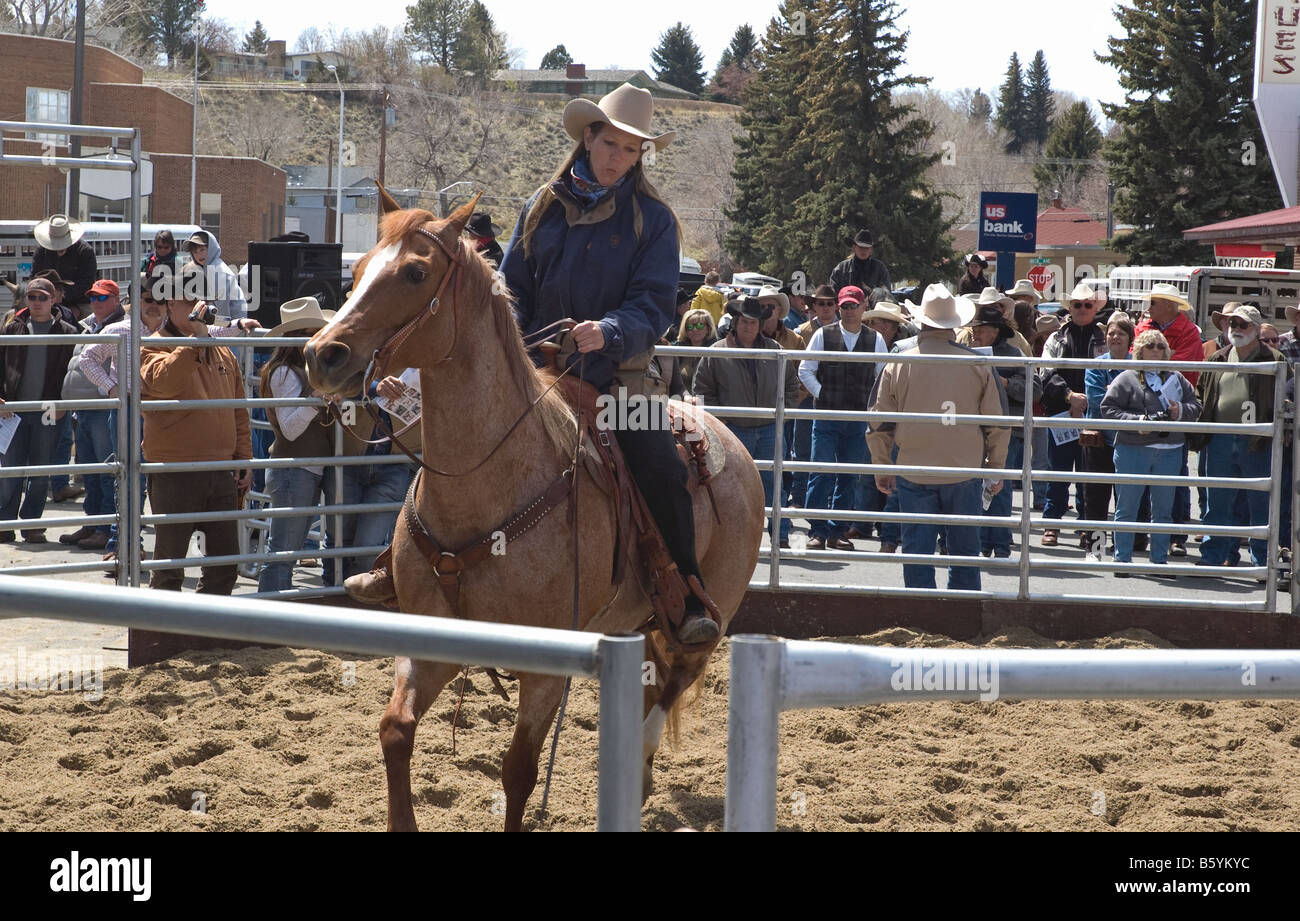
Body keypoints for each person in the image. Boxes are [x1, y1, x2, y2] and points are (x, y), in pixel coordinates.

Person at [499, 82, 720, 644]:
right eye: (612, 144)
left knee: (658, 461)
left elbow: (653, 303)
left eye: (631, 150)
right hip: (533, 370)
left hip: (618, 378)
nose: (619, 158)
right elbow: (508, 290)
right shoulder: (540, 207)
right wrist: (519, 342)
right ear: (588, 137)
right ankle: (412, 556)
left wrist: (609, 331)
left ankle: (684, 591)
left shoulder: (654, 220)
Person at [868, 284, 1009, 590]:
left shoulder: (899, 362)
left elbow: (879, 422)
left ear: (921, 321)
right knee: (964, 551)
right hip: (964, 470)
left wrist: (882, 466)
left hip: (913, 468)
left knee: (917, 550)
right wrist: (995, 467)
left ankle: (923, 614)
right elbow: (997, 423)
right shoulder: (978, 364)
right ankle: (963, 612)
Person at [138, 266, 252, 594]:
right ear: (169, 305)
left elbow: (238, 413)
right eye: (188, 301)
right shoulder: (152, 346)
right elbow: (163, 383)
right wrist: (195, 342)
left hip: (220, 470)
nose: (196, 307)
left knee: (224, 562)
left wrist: (243, 457)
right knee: (170, 563)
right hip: (174, 471)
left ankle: (205, 630)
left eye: (201, 300)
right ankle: (165, 634)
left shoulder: (223, 353)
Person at [695, 296, 801, 548]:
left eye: (754, 322)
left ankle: (780, 535)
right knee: (731, 487)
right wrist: (722, 420)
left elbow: (791, 386)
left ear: (760, 323)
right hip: (732, 431)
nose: (749, 327)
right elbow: (702, 389)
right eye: (744, 321)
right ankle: (733, 539)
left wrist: (781, 414)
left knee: (774, 484)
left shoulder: (775, 350)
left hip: (768, 428)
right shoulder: (717, 352)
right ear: (735, 322)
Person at [1193, 303, 1289, 570]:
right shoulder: (1218, 358)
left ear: (1256, 330)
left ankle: (1261, 563)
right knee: (1218, 502)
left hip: (1258, 439)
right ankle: (1213, 558)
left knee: (1260, 503)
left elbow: (1287, 394)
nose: (1235, 329)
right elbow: (1202, 391)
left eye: (1242, 324)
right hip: (1220, 438)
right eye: (1232, 324)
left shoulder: (1275, 359)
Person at [1101, 329, 1202, 575]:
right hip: (1133, 449)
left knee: (1163, 511)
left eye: (1160, 346)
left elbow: (1196, 404)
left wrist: (1181, 410)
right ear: (1139, 351)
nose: (1156, 350)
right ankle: (1122, 560)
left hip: (1171, 450)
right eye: (1150, 346)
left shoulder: (1177, 378)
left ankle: (1159, 561)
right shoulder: (1127, 377)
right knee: (1127, 507)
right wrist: (1138, 421)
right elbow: (1107, 408)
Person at [257, 298, 338, 593]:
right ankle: (270, 617)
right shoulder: (283, 372)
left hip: (303, 468)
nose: (318, 338)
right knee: (282, 552)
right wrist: (317, 399)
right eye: (311, 332)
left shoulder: (298, 370)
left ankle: (272, 618)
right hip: (295, 469)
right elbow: (290, 429)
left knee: (285, 551)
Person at [799, 285, 887, 550]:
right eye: (845, 306)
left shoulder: (876, 340)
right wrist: (822, 393)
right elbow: (805, 370)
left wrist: (872, 408)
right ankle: (817, 530)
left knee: (849, 476)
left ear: (863, 308)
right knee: (821, 472)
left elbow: (883, 378)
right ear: (839, 307)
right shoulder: (822, 336)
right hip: (826, 416)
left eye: (854, 306)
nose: (849, 311)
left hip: (858, 418)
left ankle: (837, 532)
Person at [0, 276, 79, 542]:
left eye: (42, 297)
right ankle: (4, 524)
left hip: (49, 410)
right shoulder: (13, 328)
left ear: (53, 299)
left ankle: (31, 524)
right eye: (31, 297)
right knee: (10, 471)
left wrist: (64, 405)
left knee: (41, 472)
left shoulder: (68, 332)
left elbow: (73, 373)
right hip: (13, 410)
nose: (36, 302)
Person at [966, 303, 1041, 559]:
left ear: (995, 331)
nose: (975, 333)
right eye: (975, 328)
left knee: (998, 487)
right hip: (973, 430)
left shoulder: (1015, 355)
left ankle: (998, 543)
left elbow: (1035, 389)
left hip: (1007, 430)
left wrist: (1004, 382)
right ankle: (981, 541)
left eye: (981, 329)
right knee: (975, 487)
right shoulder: (967, 354)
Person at [58, 279, 126, 550]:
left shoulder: (118, 328)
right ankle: (93, 522)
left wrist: (108, 390)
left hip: (102, 409)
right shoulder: (91, 325)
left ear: (115, 300)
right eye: (93, 298)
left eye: (102, 298)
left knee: (107, 470)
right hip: (85, 409)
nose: (96, 303)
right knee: (91, 471)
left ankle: (105, 527)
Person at [1037, 281, 1107, 547]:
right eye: (1077, 305)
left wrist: (1090, 399)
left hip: (1094, 413)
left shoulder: (1103, 337)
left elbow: (1111, 370)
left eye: (1087, 305)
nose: (1082, 309)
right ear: (1070, 307)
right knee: (1059, 471)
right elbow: (1046, 373)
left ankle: (1085, 527)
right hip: (1062, 414)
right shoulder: (1056, 338)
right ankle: (1051, 523)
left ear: (1094, 308)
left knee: (1088, 472)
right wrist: (1070, 396)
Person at [1079, 311, 1136, 559]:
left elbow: (1142, 401)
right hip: (1100, 439)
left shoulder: (1138, 364)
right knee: (1097, 496)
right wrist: (1124, 399)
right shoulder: (1096, 365)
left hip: (1131, 440)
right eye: (1111, 333)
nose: (1114, 337)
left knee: (1128, 495)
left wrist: (1112, 393)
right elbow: (1096, 400)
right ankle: (1096, 547)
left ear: (1129, 338)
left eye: (1120, 333)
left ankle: (1128, 544)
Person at [32, 214, 96, 314]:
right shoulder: (41, 252)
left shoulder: (84, 251)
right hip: (44, 299)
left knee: (87, 321)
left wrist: (62, 295)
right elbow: (34, 277)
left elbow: (87, 283)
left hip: (79, 302)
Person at [182, 230, 248, 318]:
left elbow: (223, 313)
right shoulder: (207, 268)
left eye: (202, 249)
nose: (199, 255)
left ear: (211, 249)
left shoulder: (218, 272)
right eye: (195, 252)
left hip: (233, 325)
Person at [956, 288, 1034, 357]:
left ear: (1003, 310)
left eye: (995, 307)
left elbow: (1029, 368)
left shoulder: (1017, 339)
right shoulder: (965, 336)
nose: (990, 310)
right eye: (986, 307)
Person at [828, 229, 891, 294]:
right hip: (846, 303)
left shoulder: (880, 268)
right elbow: (833, 294)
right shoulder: (841, 268)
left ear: (871, 250)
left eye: (867, 248)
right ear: (854, 247)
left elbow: (886, 294)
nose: (863, 250)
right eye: (860, 247)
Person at [673, 308, 717, 392]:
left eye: (700, 325)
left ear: (708, 328)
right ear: (685, 329)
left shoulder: (716, 350)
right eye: (690, 326)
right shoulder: (677, 349)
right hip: (684, 401)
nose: (694, 329)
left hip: (709, 402)